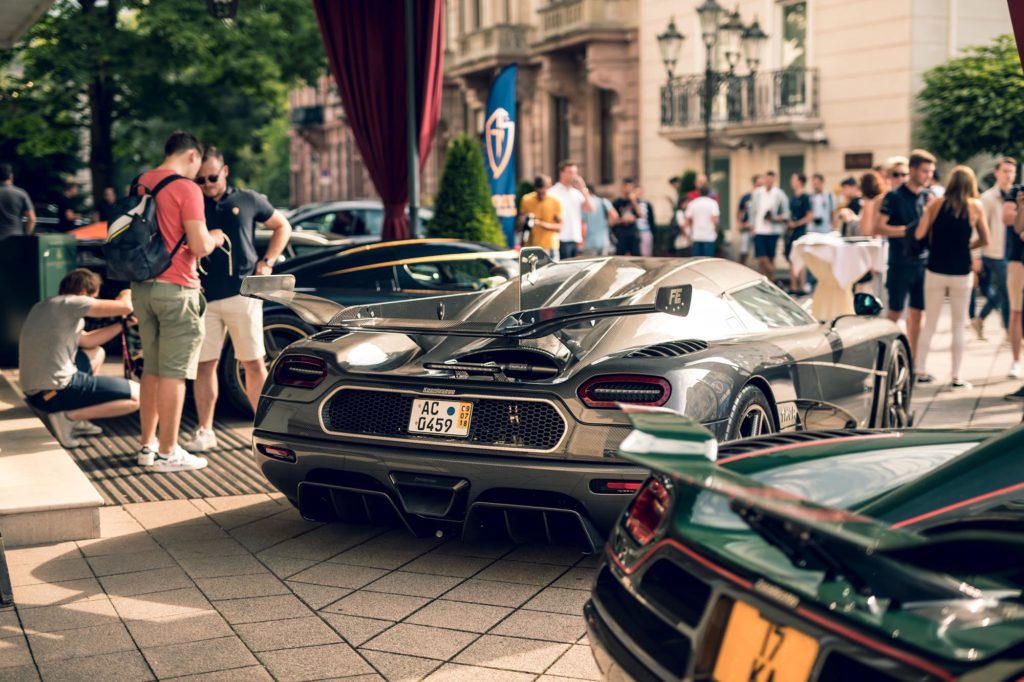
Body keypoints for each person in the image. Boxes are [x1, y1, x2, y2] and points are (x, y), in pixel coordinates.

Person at [180, 147, 293, 453]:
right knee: (205, 365)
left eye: (212, 178)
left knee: (253, 363)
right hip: (203, 296)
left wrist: (268, 261)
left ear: (225, 171)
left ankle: (264, 430)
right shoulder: (193, 202)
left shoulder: (248, 199)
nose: (207, 184)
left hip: (243, 294)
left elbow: (282, 226)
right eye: (200, 179)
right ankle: (205, 431)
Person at [131, 131, 225, 472]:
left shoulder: (141, 182)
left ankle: (147, 446)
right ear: (192, 155)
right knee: (173, 374)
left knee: (152, 370)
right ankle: (168, 453)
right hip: (177, 290)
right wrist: (214, 238)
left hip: (142, 288)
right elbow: (199, 246)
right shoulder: (186, 188)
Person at [18, 269, 140, 447]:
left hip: (37, 395)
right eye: (94, 298)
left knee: (97, 353)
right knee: (138, 396)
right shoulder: (72, 302)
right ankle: (68, 417)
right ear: (83, 293)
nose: (95, 302)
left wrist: (123, 325)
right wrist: (126, 292)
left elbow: (88, 341)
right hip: (55, 393)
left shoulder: (47, 306)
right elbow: (126, 306)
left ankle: (78, 413)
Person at [914, 165, 990, 389]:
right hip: (961, 270)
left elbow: (919, 234)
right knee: (959, 324)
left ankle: (920, 370)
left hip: (935, 268)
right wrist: (967, 246)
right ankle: (956, 376)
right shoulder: (975, 206)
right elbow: (986, 239)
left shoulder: (936, 204)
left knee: (930, 323)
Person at [878, 149, 936, 373]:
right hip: (899, 262)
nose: (928, 175)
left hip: (923, 262)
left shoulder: (928, 196)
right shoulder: (893, 196)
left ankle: (912, 360)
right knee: (894, 312)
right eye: (924, 171)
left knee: (917, 313)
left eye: (930, 171)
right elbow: (879, 227)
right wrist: (908, 231)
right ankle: (885, 360)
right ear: (912, 170)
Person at [973, 157, 1016, 344]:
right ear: (997, 173)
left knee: (1004, 291)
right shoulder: (988, 198)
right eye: (1005, 171)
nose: (1008, 175)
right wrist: (976, 256)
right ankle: (1009, 332)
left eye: (1011, 171)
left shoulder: (1017, 196)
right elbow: (979, 228)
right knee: (1007, 292)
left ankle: (979, 319)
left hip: (1013, 252)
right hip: (994, 253)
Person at [548, 160, 593, 260]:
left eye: (575, 172)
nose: (574, 175)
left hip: (575, 238)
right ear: (561, 173)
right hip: (560, 238)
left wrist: (583, 188)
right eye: (570, 172)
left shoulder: (576, 193)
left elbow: (590, 208)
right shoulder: (552, 192)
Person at [750, 170, 789, 282]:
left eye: (771, 179)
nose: (769, 181)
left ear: (774, 180)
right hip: (759, 230)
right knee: (762, 258)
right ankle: (774, 278)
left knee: (771, 258)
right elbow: (752, 211)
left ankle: (769, 283)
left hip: (773, 230)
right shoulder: (757, 193)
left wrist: (775, 218)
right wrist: (752, 226)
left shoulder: (779, 194)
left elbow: (786, 213)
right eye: (767, 179)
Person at [518, 174, 562, 260]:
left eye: (543, 192)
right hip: (531, 246)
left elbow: (560, 226)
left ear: (548, 188)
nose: (541, 195)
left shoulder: (555, 201)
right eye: (539, 193)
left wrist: (540, 223)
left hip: (550, 246)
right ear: (535, 189)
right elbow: (520, 221)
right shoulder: (526, 199)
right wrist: (525, 220)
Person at [786, 173, 813, 293]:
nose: (791, 181)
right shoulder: (793, 197)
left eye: (794, 179)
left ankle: (802, 286)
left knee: (801, 258)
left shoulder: (805, 197)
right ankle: (793, 286)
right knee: (792, 258)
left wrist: (796, 224)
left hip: (800, 232)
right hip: (791, 232)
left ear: (800, 181)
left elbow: (809, 216)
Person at [0, 163, 36, 238]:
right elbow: (32, 219)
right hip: (15, 238)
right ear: (11, 176)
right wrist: (26, 235)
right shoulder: (21, 193)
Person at [582, 184, 618, 256]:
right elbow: (615, 216)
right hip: (604, 240)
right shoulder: (603, 201)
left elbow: (582, 223)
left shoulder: (584, 205)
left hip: (590, 242)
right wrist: (607, 224)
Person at [685, 185, 719, 257]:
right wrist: (715, 231)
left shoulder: (693, 203)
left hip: (696, 236)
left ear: (698, 192)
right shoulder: (713, 203)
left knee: (696, 261)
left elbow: (687, 220)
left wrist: (690, 230)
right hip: (709, 236)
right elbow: (715, 220)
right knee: (708, 260)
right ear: (708, 192)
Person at [611, 178, 642, 256]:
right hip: (621, 233)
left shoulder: (636, 201)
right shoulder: (617, 202)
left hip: (633, 232)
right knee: (620, 256)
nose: (628, 189)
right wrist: (623, 220)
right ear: (623, 187)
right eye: (626, 186)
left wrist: (633, 200)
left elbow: (640, 214)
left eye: (630, 187)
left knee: (636, 256)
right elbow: (612, 221)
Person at [735, 175, 760, 266]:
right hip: (747, 228)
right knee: (744, 251)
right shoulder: (746, 197)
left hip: (759, 229)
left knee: (761, 254)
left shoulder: (763, 197)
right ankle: (739, 269)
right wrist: (739, 223)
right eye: (758, 184)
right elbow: (739, 210)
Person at [634, 186, 656, 256]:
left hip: (646, 231)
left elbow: (651, 219)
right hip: (635, 233)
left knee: (646, 253)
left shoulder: (646, 204)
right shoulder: (630, 204)